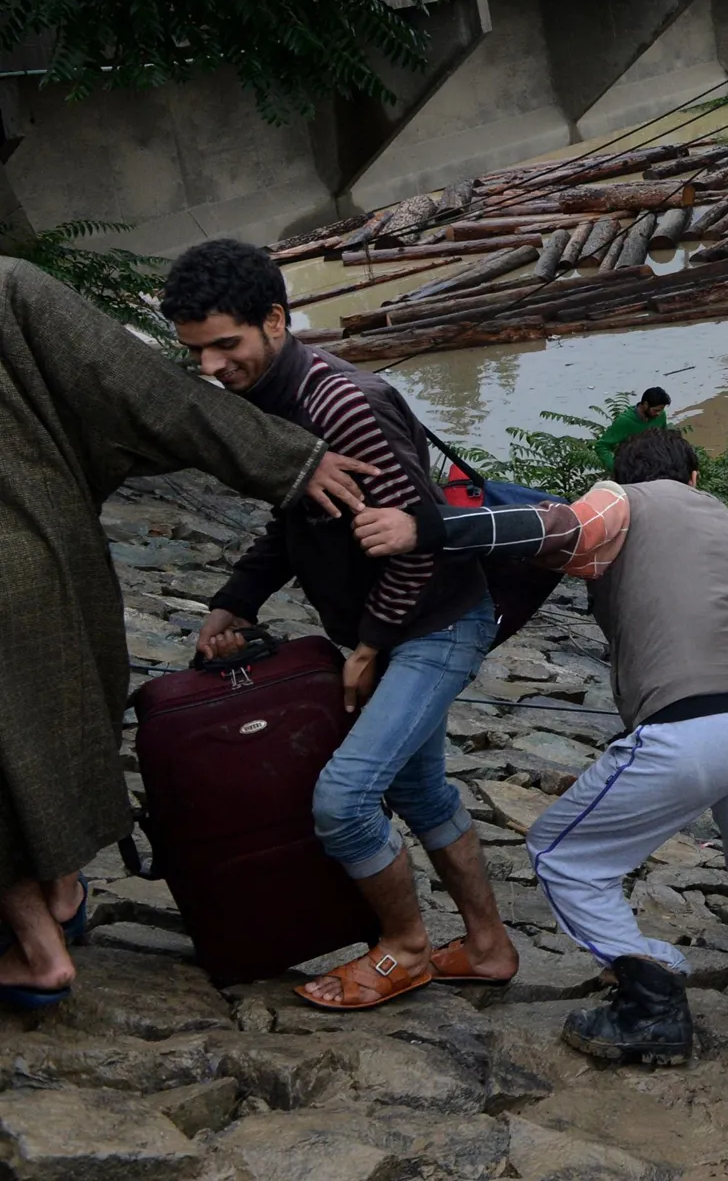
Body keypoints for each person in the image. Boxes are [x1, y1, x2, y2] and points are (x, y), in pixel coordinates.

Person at [352, 427, 728, 1062]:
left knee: (561, 855)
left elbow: (551, 532)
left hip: (693, 723)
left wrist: (427, 529)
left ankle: (653, 995)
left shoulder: (621, 499)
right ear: (693, 479)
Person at [0, 258, 372, 1008]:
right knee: (52, 722)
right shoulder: (7, 284)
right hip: (49, 556)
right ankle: (65, 892)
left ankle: (38, 952)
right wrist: (285, 461)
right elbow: (139, 388)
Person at [167, 239, 516, 1012]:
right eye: (196, 352)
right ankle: (489, 947)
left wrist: (369, 647)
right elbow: (295, 522)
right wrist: (235, 601)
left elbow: (420, 539)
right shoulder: (268, 403)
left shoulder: (341, 405)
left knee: (346, 798)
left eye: (227, 345)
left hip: (436, 621)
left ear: (277, 320)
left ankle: (406, 948)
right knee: (421, 791)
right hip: (396, 629)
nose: (212, 367)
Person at [594, 387, 670, 471]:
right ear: (645, 404)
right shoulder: (624, 421)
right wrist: (614, 469)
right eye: (655, 410)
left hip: (656, 465)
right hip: (632, 469)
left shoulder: (661, 416)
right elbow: (602, 445)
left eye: (661, 410)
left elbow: (664, 438)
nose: (658, 413)